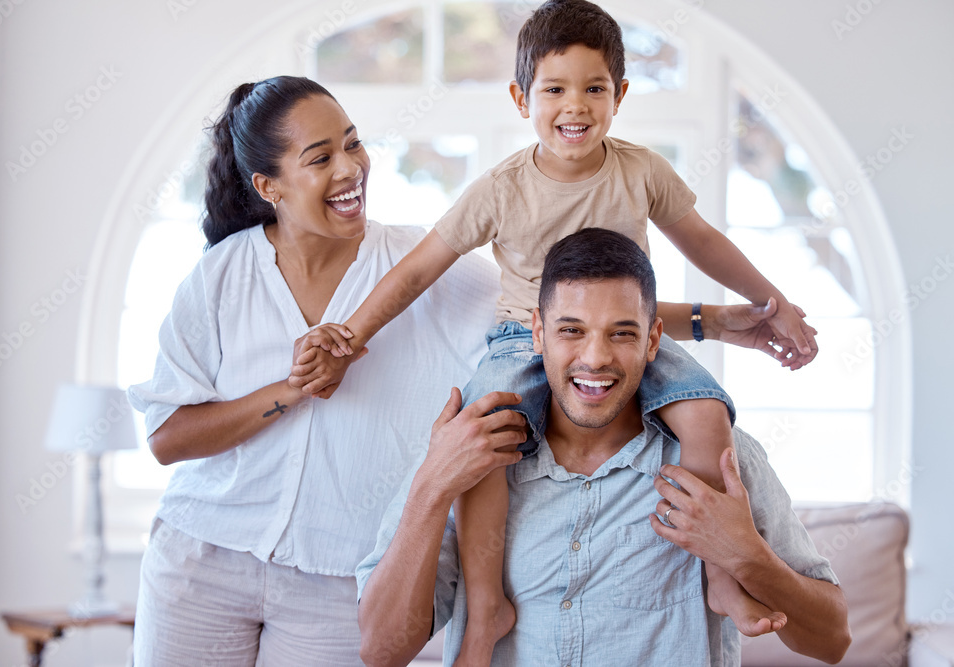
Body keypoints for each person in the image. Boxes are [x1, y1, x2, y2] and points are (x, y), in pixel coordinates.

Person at [291, 1, 817, 662]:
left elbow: (704, 240)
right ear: (521, 98)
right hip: (521, 341)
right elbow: (419, 268)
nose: (576, 106)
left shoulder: (640, 171)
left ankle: (721, 579)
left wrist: (771, 301)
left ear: (620, 95)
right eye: (555, 90)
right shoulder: (502, 188)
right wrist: (348, 333)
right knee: (488, 430)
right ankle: (486, 605)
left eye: (594, 88)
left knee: (708, 410)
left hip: (631, 341)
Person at [125, 75, 504, 665]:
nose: (350, 168)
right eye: (321, 157)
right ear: (267, 185)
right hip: (201, 559)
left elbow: (553, 315)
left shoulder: (422, 267)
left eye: (353, 145)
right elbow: (167, 438)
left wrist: (696, 319)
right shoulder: (220, 276)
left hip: (339, 579)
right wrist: (292, 389)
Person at [356, 229, 851, 667]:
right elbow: (382, 652)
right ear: (537, 332)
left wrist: (745, 556)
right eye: (571, 330)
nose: (595, 358)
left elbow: (832, 641)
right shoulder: (468, 458)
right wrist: (430, 488)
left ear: (654, 339)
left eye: (622, 333)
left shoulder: (718, 457)